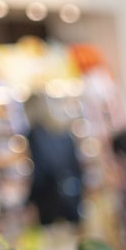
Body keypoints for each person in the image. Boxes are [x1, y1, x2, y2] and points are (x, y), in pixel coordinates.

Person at [25, 96, 84, 226]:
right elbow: (76, 164)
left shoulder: (34, 135)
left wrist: (29, 200)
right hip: (71, 192)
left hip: (48, 196)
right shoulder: (63, 130)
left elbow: (40, 170)